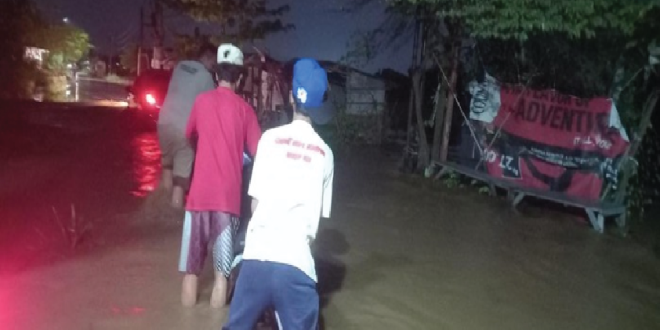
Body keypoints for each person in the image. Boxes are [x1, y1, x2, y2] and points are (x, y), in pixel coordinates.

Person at [223, 58, 335, 330]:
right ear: (320, 106)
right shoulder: (326, 154)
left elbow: (255, 205)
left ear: (290, 97)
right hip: (296, 267)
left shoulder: (269, 140)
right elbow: (315, 225)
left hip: (256, 261)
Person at [179, 43, 262, 308]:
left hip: (198, 197)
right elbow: (260, 152)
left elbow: (188, 135)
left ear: (216, 75)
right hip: (228, 202)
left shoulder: (201, 101)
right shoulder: (245, 110)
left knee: (191, 271)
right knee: (221, 276)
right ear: (239, 77)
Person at [157, 43, 217, 208]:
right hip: (183, 128)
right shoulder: (206, 76)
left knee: (167, 167)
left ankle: (160, 205)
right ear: (207, 57)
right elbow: (210, 107)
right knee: (181, 180)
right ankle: (174, 216)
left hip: (163, 123)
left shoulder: (180, 66)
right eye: (213, 61)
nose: (214, 66)